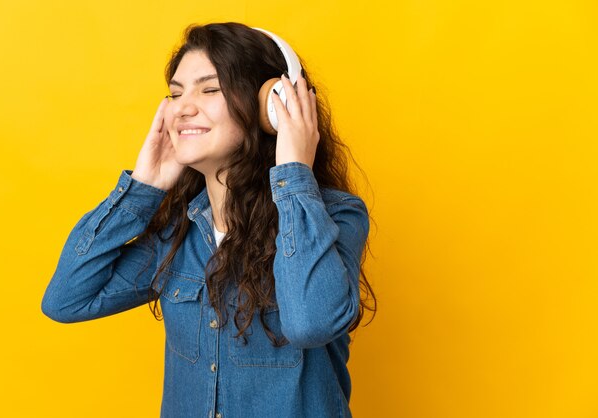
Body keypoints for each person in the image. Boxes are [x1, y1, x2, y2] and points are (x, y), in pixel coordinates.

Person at [42, 22, 376, 418]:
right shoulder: (177, 236)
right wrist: (143, 189)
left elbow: (309, 324)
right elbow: (66, 300)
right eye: (176, 93)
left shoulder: (336, 215)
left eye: (209, 88)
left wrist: (293, 172)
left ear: (272, 106)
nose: (181, 107)